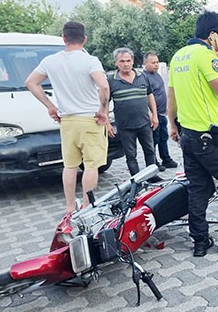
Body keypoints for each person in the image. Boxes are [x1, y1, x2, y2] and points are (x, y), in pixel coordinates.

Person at [167, 11, 218, 257]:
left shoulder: (178, 56)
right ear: (213, 36)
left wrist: (172, 125)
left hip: (188, 134)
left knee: (198, 187)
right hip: (211, 137)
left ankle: (200, 242)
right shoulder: (206, 56)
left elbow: (171, 96)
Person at [25, 21, 110, 217]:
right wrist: (103, 110)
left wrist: (50, 106)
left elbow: (31, 82)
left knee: (70, 165)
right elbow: (104, 87)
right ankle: (88, 206)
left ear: (64, 38)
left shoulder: (50, 61)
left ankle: (70, 207)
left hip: (67, 121)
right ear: (85, 39)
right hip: (90, 119)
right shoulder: (90, 61)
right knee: (91, 165)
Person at [106, 48, 160, 179]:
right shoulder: (110, 80)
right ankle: (136, 181)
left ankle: (152, 177)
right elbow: (105, 103)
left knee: (150, 151)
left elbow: (150, 96)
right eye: (122, 61)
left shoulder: (142, 77)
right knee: (131, 155)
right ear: (116, 63)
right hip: (125, 126)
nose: (126, 64)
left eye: (128, 60)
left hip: (144, 123)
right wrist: (107, 123)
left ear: (133, 61)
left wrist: (155, 115)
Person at [142, 51, 178, 170]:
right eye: (153, 63)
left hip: (162, 113)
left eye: (157, 62)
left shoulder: (156, 75)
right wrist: (151, 114)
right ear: (145, 63)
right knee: (154, 140)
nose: (156, 65)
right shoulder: (144, 77)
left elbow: (162, 92)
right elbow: (144, 97)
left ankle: (166, 159)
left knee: (163, 137)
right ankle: (154, 162)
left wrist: (167, 106)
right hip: (153, 116)